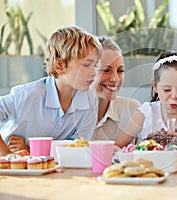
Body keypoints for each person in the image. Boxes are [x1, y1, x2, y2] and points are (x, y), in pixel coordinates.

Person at [0, 26, 102, 154]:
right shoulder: (27, 95)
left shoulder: (90, 101)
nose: (94, 73)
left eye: (95, 65)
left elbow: (77, 149)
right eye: (86, 65)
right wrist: (7, 155)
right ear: (60, 65)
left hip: (49, 167)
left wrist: (30, 151)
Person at [91, 36, 140, 140]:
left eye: (120, 71)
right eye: (106, 70)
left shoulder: (132, 111)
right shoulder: (67, 113)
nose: (115, 79)